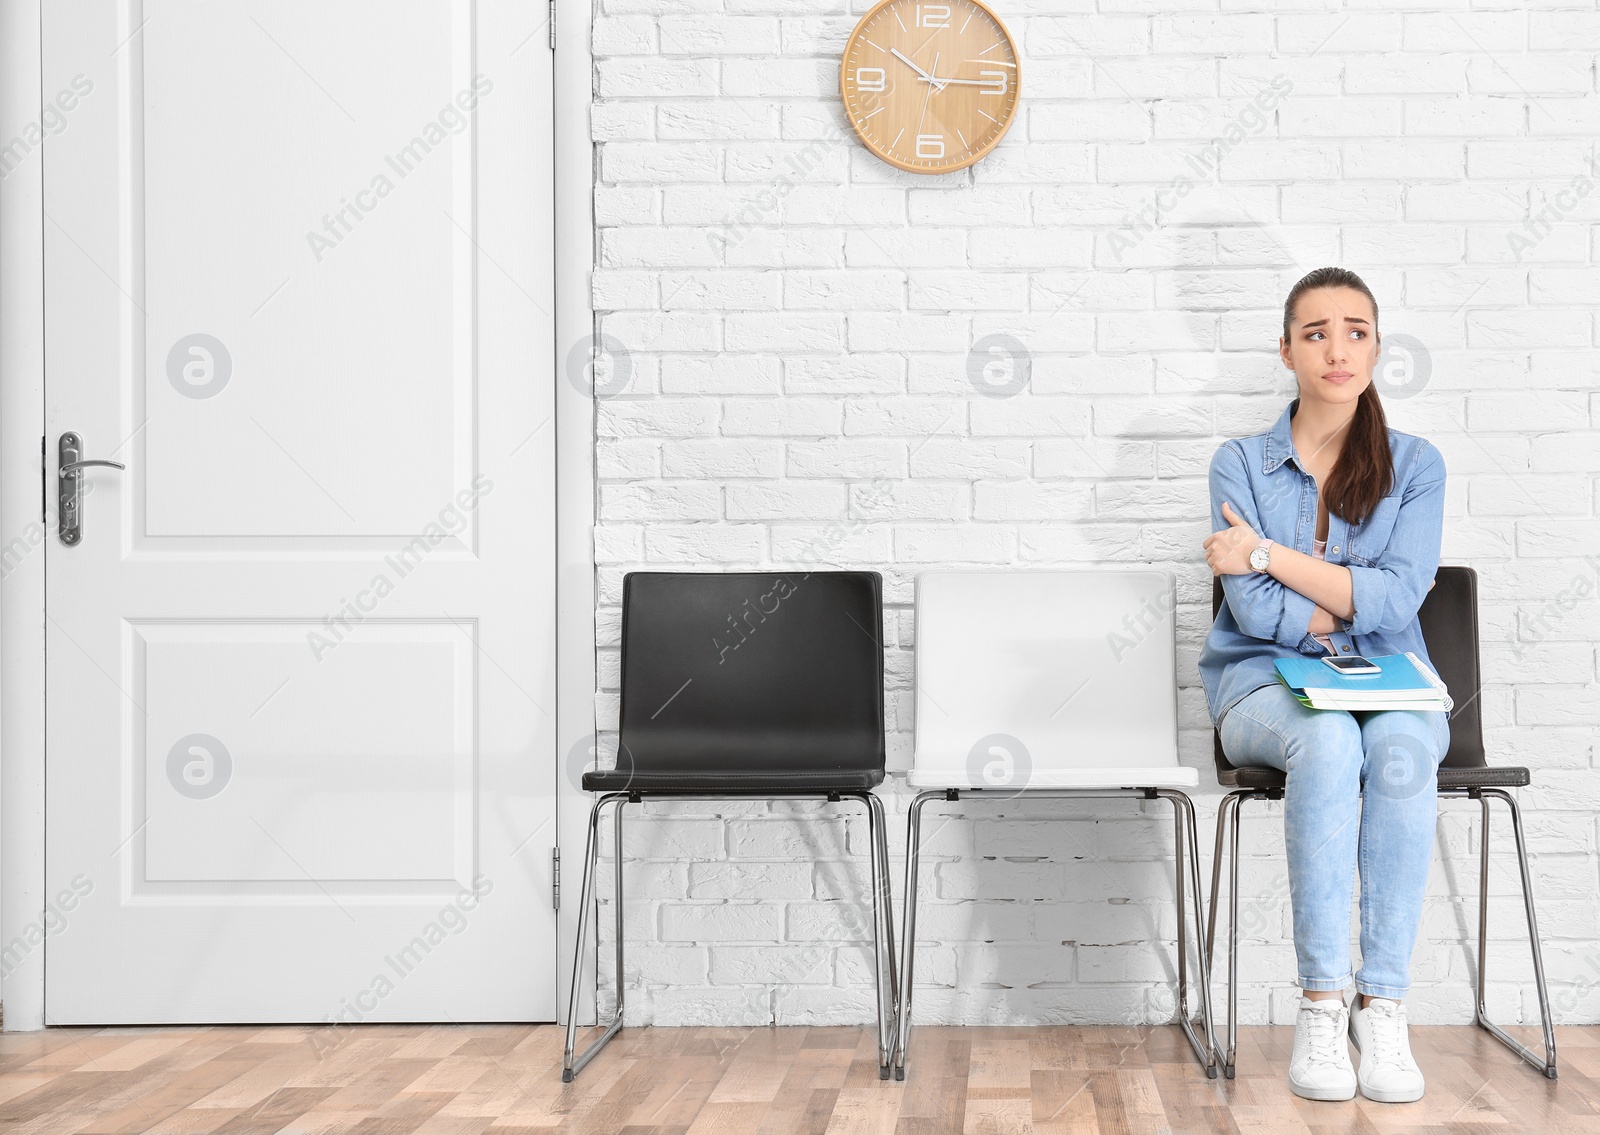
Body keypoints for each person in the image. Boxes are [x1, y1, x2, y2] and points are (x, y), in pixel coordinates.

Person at [1197, 266, 1451, 1104]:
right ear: (1286, 351)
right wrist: (1342, 595)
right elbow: (1257, 611)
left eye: (1355, 330)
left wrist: (1268, 554)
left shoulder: (1416, 465)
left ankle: (1383, 1004)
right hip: (1261, 684)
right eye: (1315, 332)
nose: (1337, 349)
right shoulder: (1239, 461)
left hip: (1392, 685)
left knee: (1405, 745)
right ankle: (1321, 1000)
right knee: (1330, 738)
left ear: (1377, 347)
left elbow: (1396, 599)